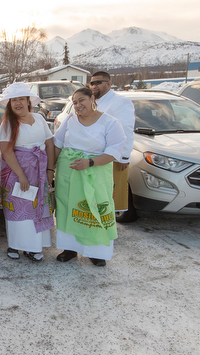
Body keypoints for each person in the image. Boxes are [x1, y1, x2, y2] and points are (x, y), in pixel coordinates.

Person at [53, 87, 126, 267]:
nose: (77, 105)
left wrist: (90, 162)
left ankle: (96, 252)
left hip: (96, 173)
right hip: (68, 173)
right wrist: (49, 169)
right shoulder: (69, 120)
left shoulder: (110, 122)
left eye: (81, 100)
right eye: (74, 102)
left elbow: (114, 151)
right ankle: (69, 248)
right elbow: (57, 145)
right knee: (69, 208)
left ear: (92, 98)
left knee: (95, 209)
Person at [0, 82, 56, 261]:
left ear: (28, 101)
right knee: (19, 210)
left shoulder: (39, 119)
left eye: (21, 99)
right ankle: (15, 245)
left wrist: (50, 169)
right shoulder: (7, 124)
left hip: (39, 171)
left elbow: (49, 144)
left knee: (37, 208)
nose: (18, 103)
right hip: (16, 173)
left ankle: (34, 247)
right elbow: (6, 152)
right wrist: (21, 175)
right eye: (14, 100)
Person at [90, 71, 135, 212]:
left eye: (98, 83)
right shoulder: (93, 102)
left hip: (113, 158)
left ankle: (109, 230)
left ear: (108, 84)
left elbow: (126, 130)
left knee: (111, 201)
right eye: (92, 83)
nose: (94, 86)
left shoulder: (120, 102)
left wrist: (124, 157)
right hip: (97, 158)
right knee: (98, 198)